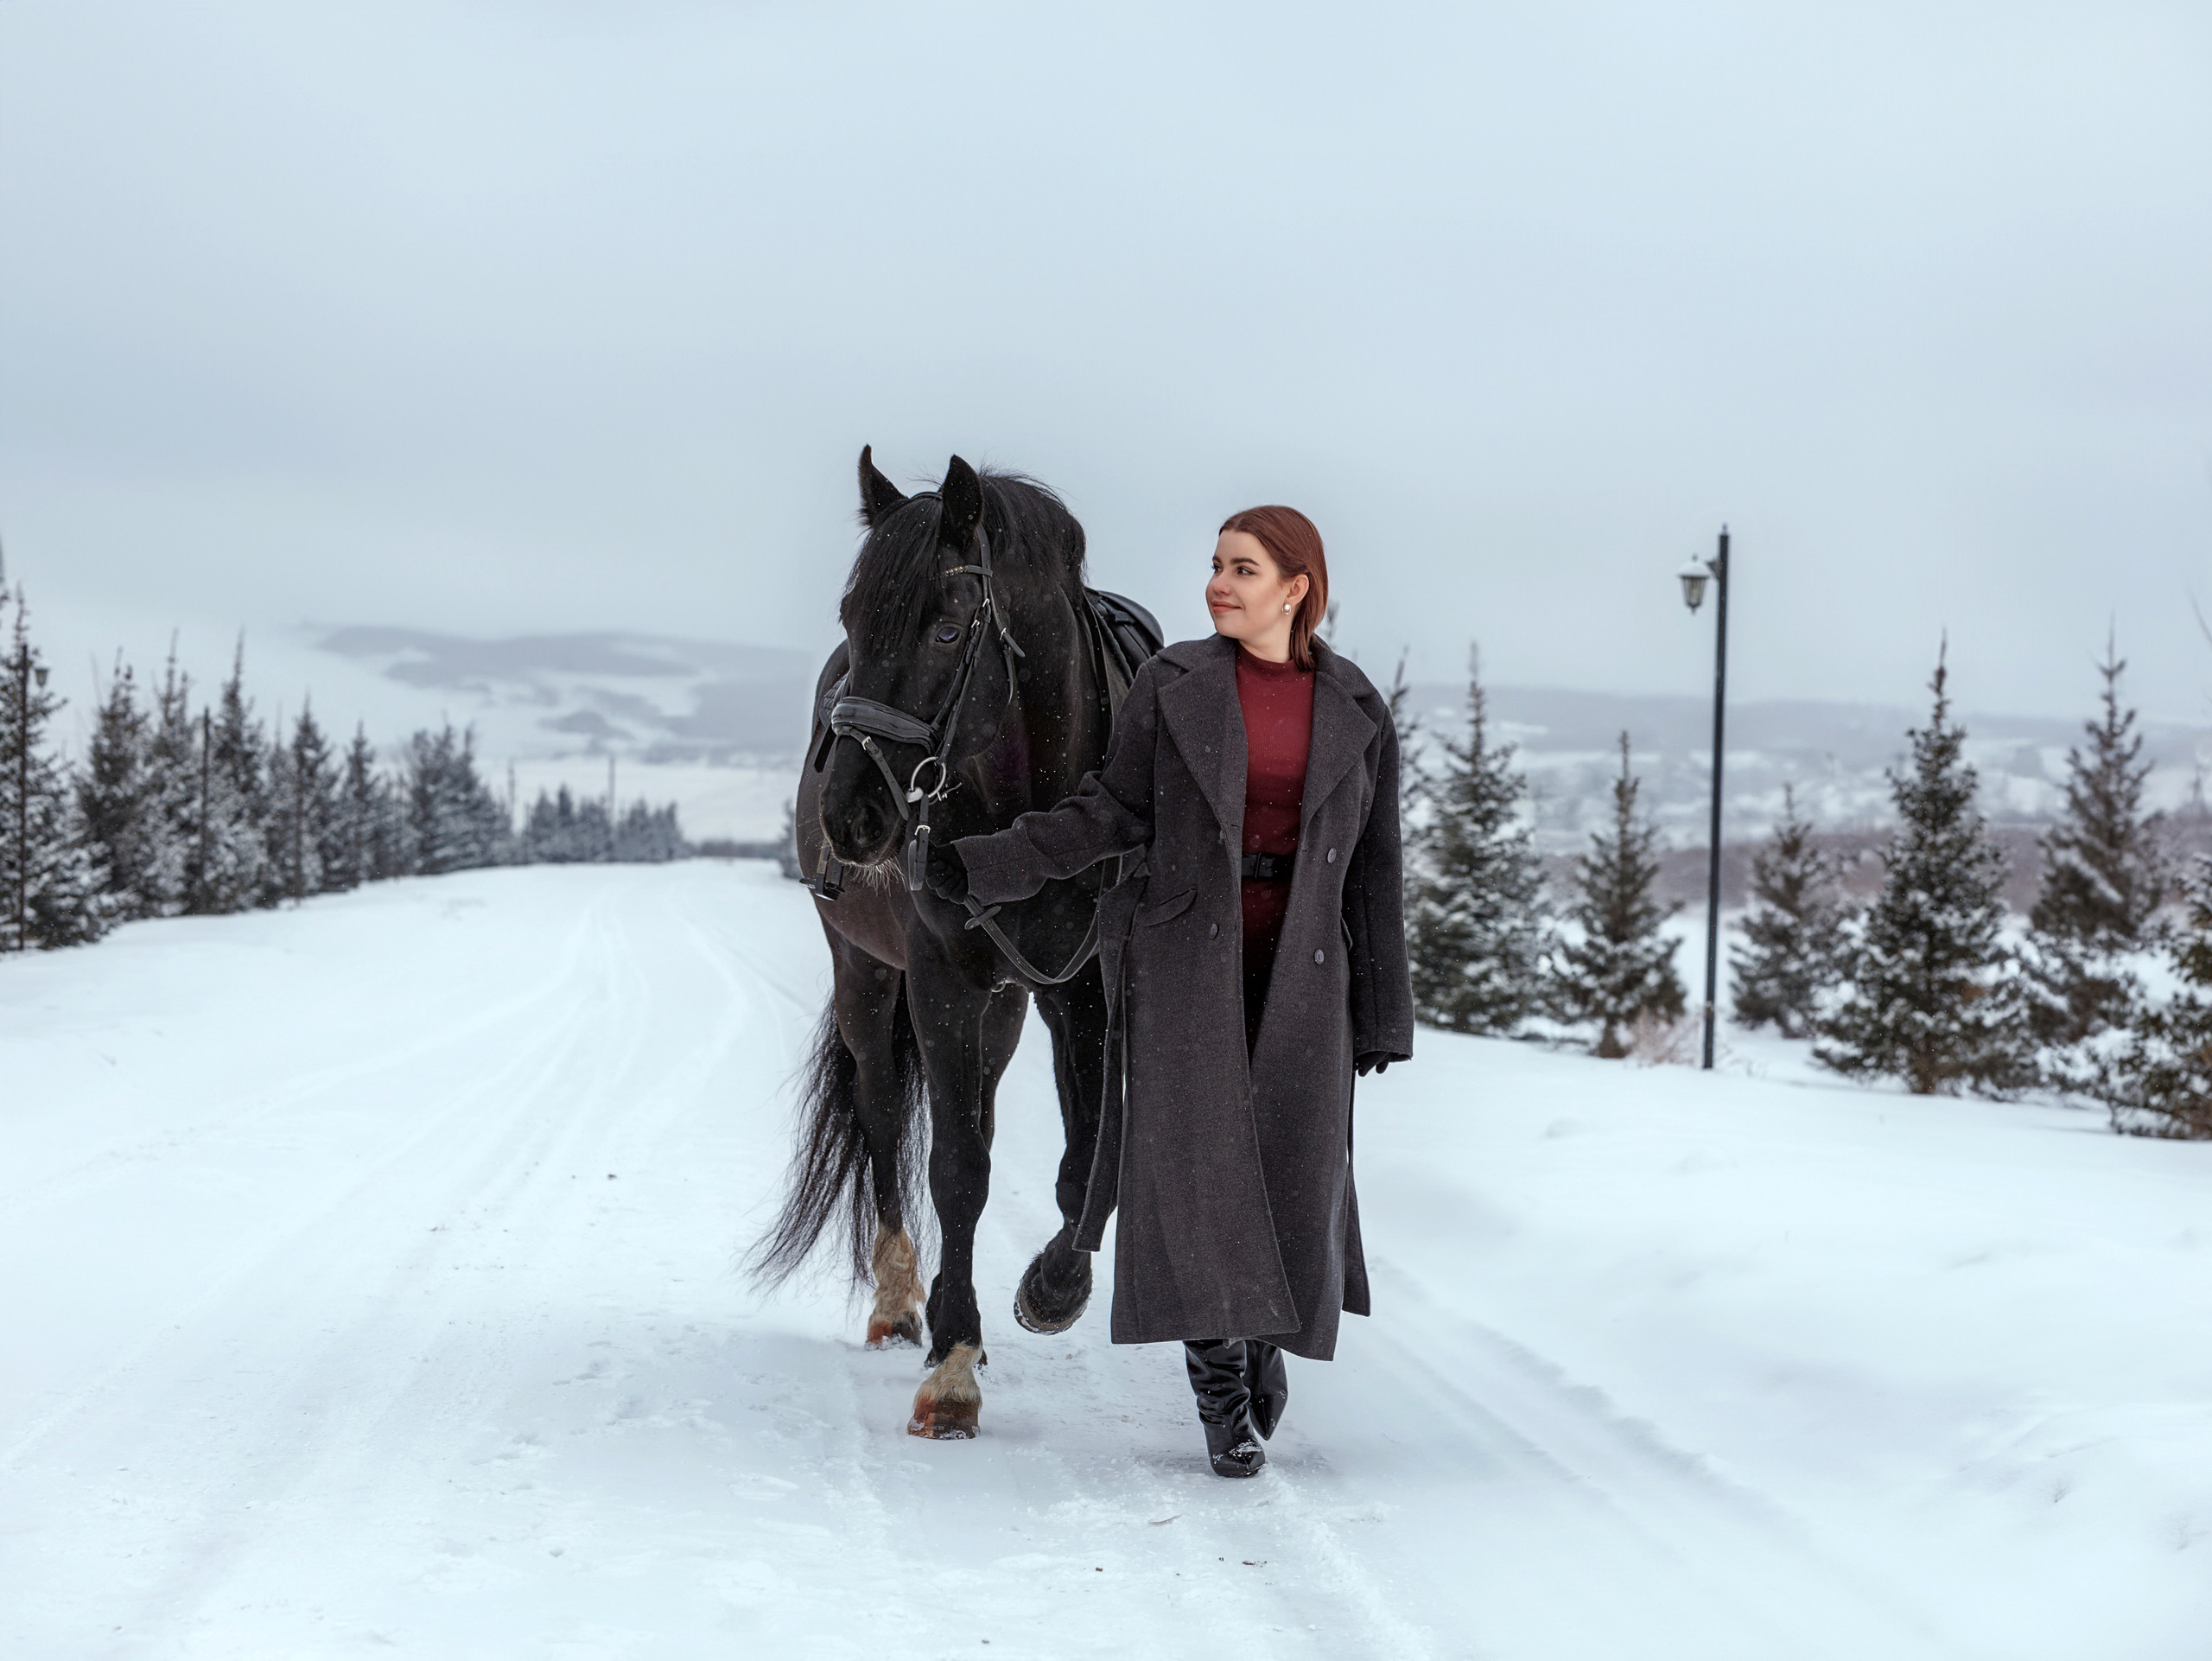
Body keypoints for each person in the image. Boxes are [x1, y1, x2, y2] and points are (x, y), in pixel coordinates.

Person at [925, 505, 1413, 1478]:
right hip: (1187, 958)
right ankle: (1222, 1390)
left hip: (1306, 973)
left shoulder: (1356, 705)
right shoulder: (1173, 683)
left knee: (1288, 1176)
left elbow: (1375, 869)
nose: (1218, 584)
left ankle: (1266, 1340)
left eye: (1242, 568)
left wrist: (1383, 1008)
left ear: (1296, 587)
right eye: (1216, 565)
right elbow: (1108, 809)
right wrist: (983, 864)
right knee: (1196, 1178)